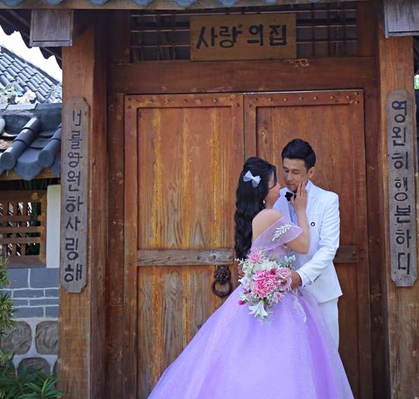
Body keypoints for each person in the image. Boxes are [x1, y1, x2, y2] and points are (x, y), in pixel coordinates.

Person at [147, 157, 353, 399]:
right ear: (266, 191)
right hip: (279, 301)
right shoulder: (270, 216)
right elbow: (304, 245)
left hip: (261, 295)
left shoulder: (254, 216)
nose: (280, 186)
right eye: (275, 183)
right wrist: (300, 210)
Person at [273, 139, 342, 348]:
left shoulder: (327, 200)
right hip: (284, 296)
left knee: (326, 353)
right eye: (285, 170)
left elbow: (328, 248)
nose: (288, 177)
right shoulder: (276, 199)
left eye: (295, 172)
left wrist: (301, 276)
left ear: (310, 172)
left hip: (321, 294)